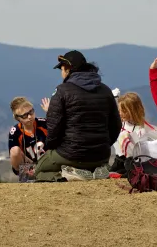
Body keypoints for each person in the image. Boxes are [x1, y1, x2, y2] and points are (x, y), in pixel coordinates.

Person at [35, 50, 121, 182]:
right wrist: (104, 145)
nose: (61, 73)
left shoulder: (62, 91)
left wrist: (54, 147)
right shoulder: (105, 90)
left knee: (39, 169)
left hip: (71, 154)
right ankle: (94, 171)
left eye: (62, 69)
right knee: (88, 162)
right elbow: (116, 124)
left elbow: (54, 127)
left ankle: (67, 176)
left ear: (68, 69)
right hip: (101, 155)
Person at [109, 92, 155, 174]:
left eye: (124, 111)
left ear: (134, 111)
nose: (120, 113)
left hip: (134, 162)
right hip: (119, 160)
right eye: (119, 110)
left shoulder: (141, 129)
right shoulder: (121, 124)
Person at [7, 96, 48, 176]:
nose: (29, 117)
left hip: (47, 162)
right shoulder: (15, 132)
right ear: (18, 118)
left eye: (31, 112)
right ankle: (26, 177)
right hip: (28, 166)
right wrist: (32, 165)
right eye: (25, 116)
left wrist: (50, 113)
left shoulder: (44, 124)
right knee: (14, 151)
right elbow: (14, 157)